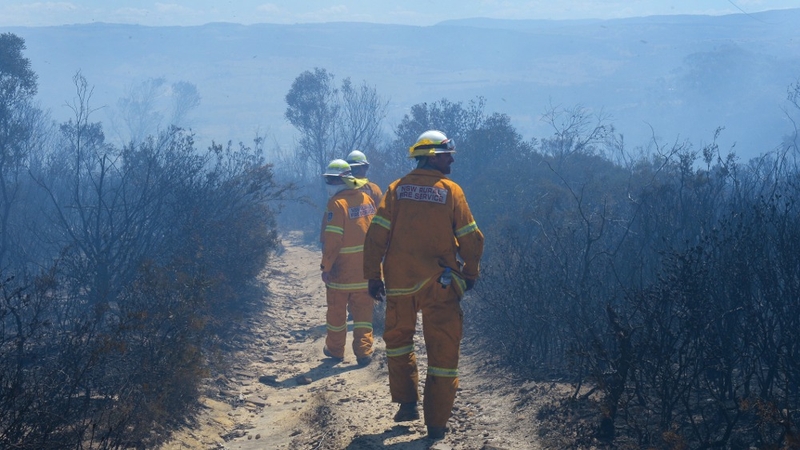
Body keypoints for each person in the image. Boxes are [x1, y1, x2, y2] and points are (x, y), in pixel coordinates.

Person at [362, 130, 484, 440]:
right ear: (431, 155)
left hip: (400, 282)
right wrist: (470, 274)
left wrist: (373, 276)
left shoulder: (396, 189)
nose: (452, 159)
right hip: (439, 284)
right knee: (443, 351)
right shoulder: (450, 191)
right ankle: (436, 424)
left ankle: (406, 404)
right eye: (447, 154)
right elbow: (471, 238)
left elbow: (376, 236)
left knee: (399, 342)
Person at [320, 159, 376, 367]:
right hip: (366, 272)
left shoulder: (336, 204)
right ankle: (364, 352)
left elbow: (333, 240)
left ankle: (335, 351)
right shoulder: (366, 199)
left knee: (336, 314)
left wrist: (326, 266)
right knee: (363, 315)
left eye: (332, 180)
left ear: (342, 180)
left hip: (341, 274)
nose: (329, 184)